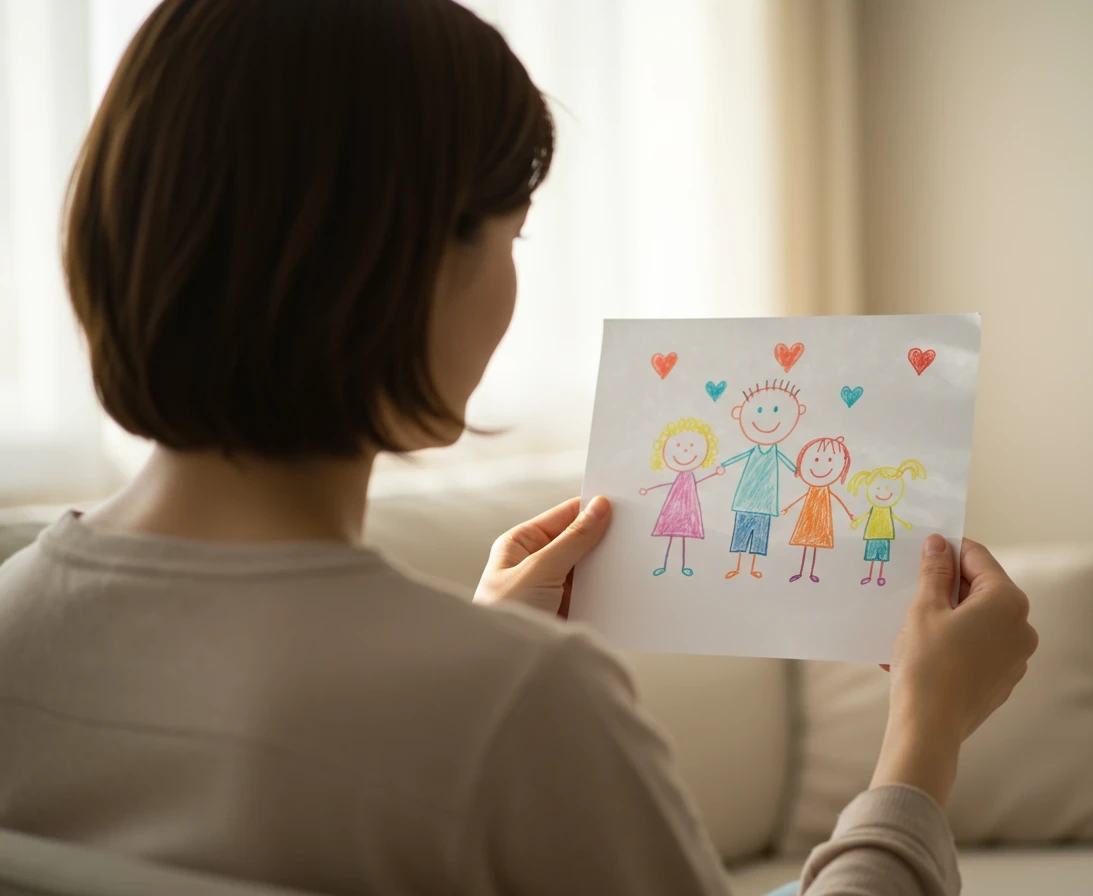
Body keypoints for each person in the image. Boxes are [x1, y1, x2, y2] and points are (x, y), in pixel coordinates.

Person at [0, 2, 1039, 895]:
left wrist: (481, 641)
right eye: (514, 234)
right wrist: (924, 737)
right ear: (410, 260)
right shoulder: (528, 705)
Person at [719, 380, 806, 580]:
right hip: (745, 500)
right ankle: (738, 566)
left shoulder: (775, 451)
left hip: (765, 502)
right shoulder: (754, 450)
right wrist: (724, 465)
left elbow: (788, 463)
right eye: (758, 410)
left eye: (776, 410)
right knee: (741, 535)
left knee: (759, 537)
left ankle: (752, 568)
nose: (767, 419)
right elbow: (739, 457)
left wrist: (797, 471)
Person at [639, 417, 725, 577]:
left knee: (683, 538)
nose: (685, 451)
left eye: (692, 446)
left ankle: (683, 566)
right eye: (678, 446)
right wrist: (650, 489)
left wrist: (714, 473)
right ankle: (664, 565)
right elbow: (669, 485)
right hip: (674, 510)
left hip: (687, 511)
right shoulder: (680, 477)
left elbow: (698, 482)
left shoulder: (691, 477)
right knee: (672, 536)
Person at [781, 436, 856, 584]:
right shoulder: (812, 489)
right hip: (807, 518)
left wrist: (848, 513)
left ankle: (811, 572)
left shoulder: (825, 490)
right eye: (815, 459)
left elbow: (836, 498)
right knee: (805, 544)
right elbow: (803, 496)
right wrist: (788, 508)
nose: (822, 465)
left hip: (821, 519)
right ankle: (801, 571)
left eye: (830, 460)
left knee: (815, 545)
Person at [849, 460, 927, 586]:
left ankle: (880, 576)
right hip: (872, 533)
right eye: (878, 488)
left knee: (882, 556)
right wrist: (858, 521)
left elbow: (893, 516)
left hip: (885, 533)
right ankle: (869, 575)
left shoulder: (887, 509)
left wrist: (903, 523)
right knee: (871, 555)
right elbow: (867, 514)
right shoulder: (875, 508)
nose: (883, 492)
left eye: (887, 488)